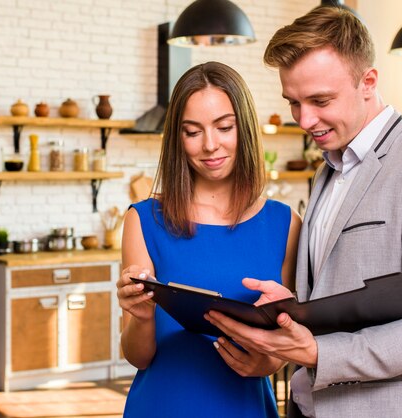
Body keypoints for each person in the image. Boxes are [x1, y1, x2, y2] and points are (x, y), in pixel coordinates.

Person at [205, 6, 402, 418]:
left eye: (320, 100)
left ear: (368, 81)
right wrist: (295, 308)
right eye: (294, 102)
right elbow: (343, 291)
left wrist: (319, 350)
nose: (305, 120)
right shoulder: (328, 170)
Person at [117, 61, 302, 418]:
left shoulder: (285, 224)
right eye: (192, 132)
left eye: (224, 127)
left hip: (245, 407)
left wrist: (267, 361)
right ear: (178, 138)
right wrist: (139, 318)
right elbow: (138, 356)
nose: (210, 145)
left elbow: (289, 339)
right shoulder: (143, 220)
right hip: (162, 405)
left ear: (243, 128)